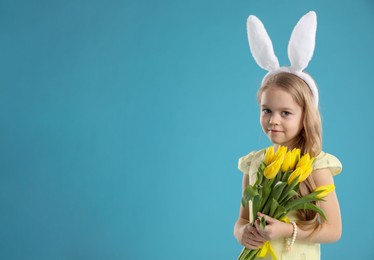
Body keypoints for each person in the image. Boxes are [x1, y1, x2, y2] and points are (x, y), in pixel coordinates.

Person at [233, 12, 342, 260]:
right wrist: (242, 233)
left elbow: (333, 230)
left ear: (305, 116)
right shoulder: (254, 163)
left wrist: (286, 230)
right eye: (267, 111)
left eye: (286, 113)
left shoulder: (315, 165)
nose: (274, 120)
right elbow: (242, 220)